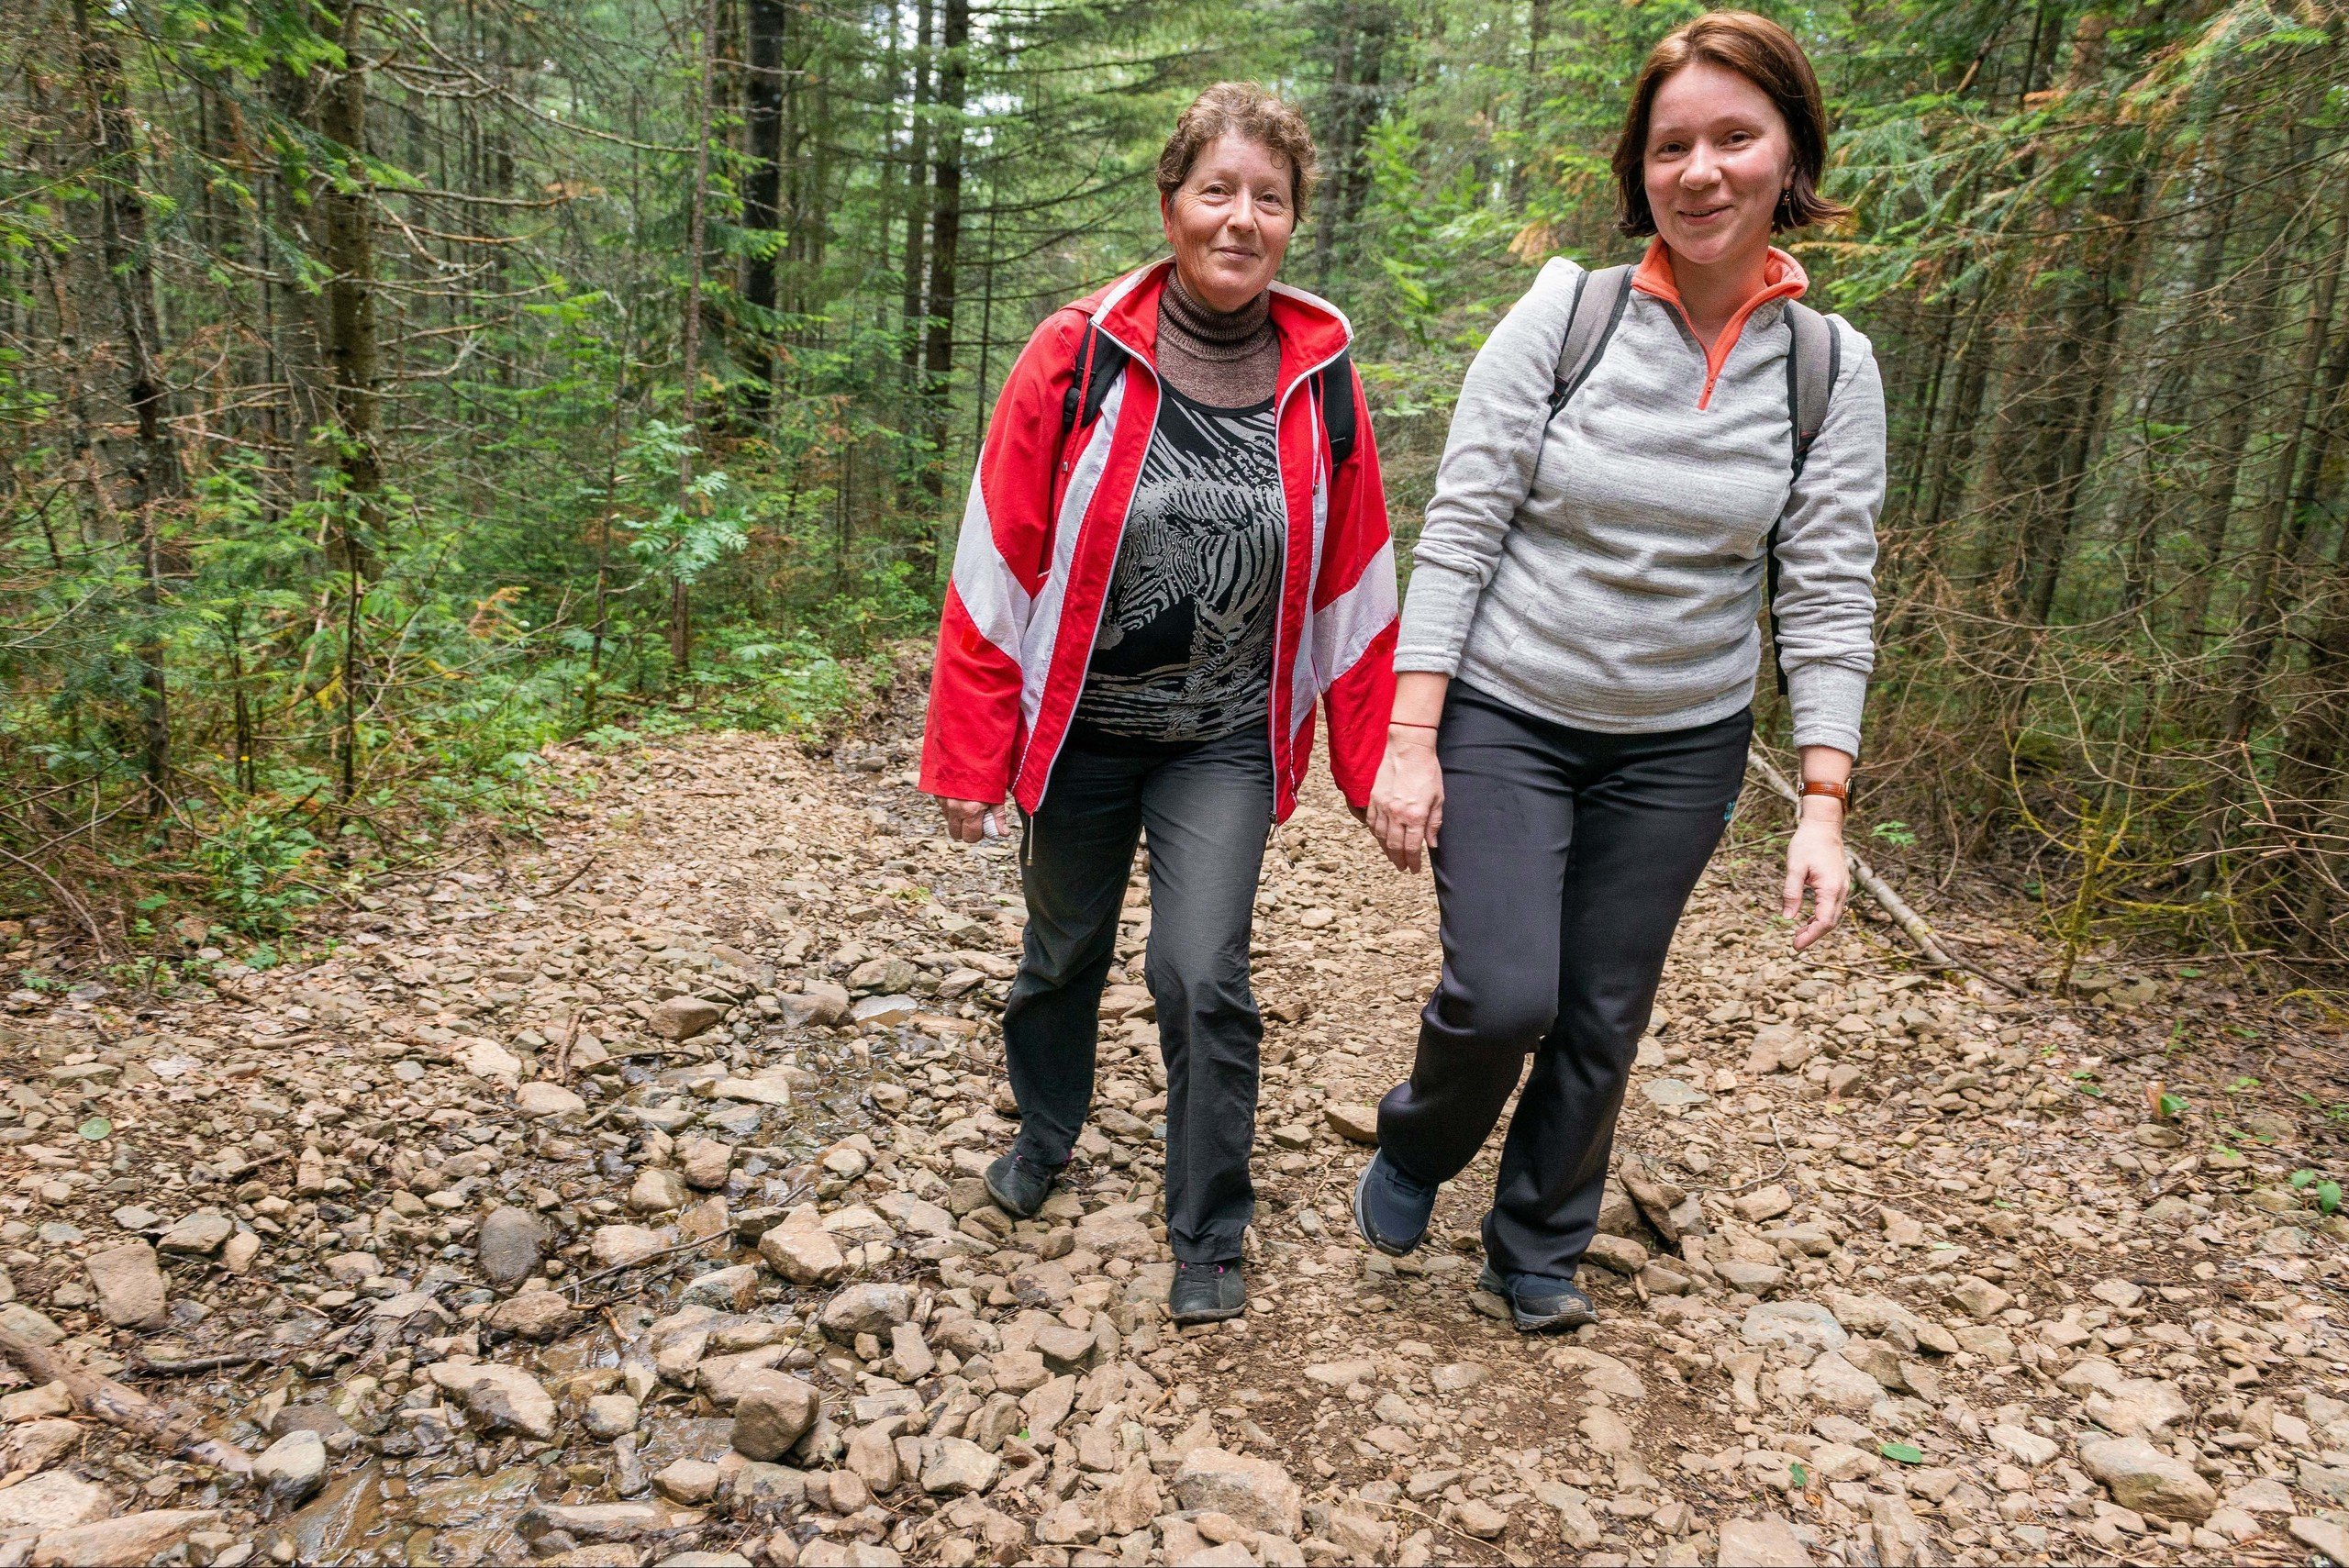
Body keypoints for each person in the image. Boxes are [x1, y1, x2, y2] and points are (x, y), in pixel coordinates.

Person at [1352, 11, 1884, 1332]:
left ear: (1790, 155)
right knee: (1502, 993)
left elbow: (1824, 584)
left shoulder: (1829, 369)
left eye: (1733, 139)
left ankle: (1538, 1234)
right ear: (1640, 170)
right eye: (1671, 146)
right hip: (1510, 713)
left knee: (1600, 1007)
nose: (1700, 171)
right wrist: (1412, 736)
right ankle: (1419, 1139)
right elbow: (1463, 522)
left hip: (1681, 742)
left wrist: (1822, 799)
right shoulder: (1565, 316)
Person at [920, 83, 1397, 1326]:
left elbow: (1355, 581)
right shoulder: (1076, 353)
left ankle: (1210, 1228)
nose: (1242, 219)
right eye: (1218, 191)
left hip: (1222, 739)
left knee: (1203, 972)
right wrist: (971, 754)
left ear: (1294, 218)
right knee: (1061, 954)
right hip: (1079, 731)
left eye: (1270, 198)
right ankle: (1047, 1128)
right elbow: (998, 558)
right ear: (1172, 201)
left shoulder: (1325, 382)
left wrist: (1380, 762)